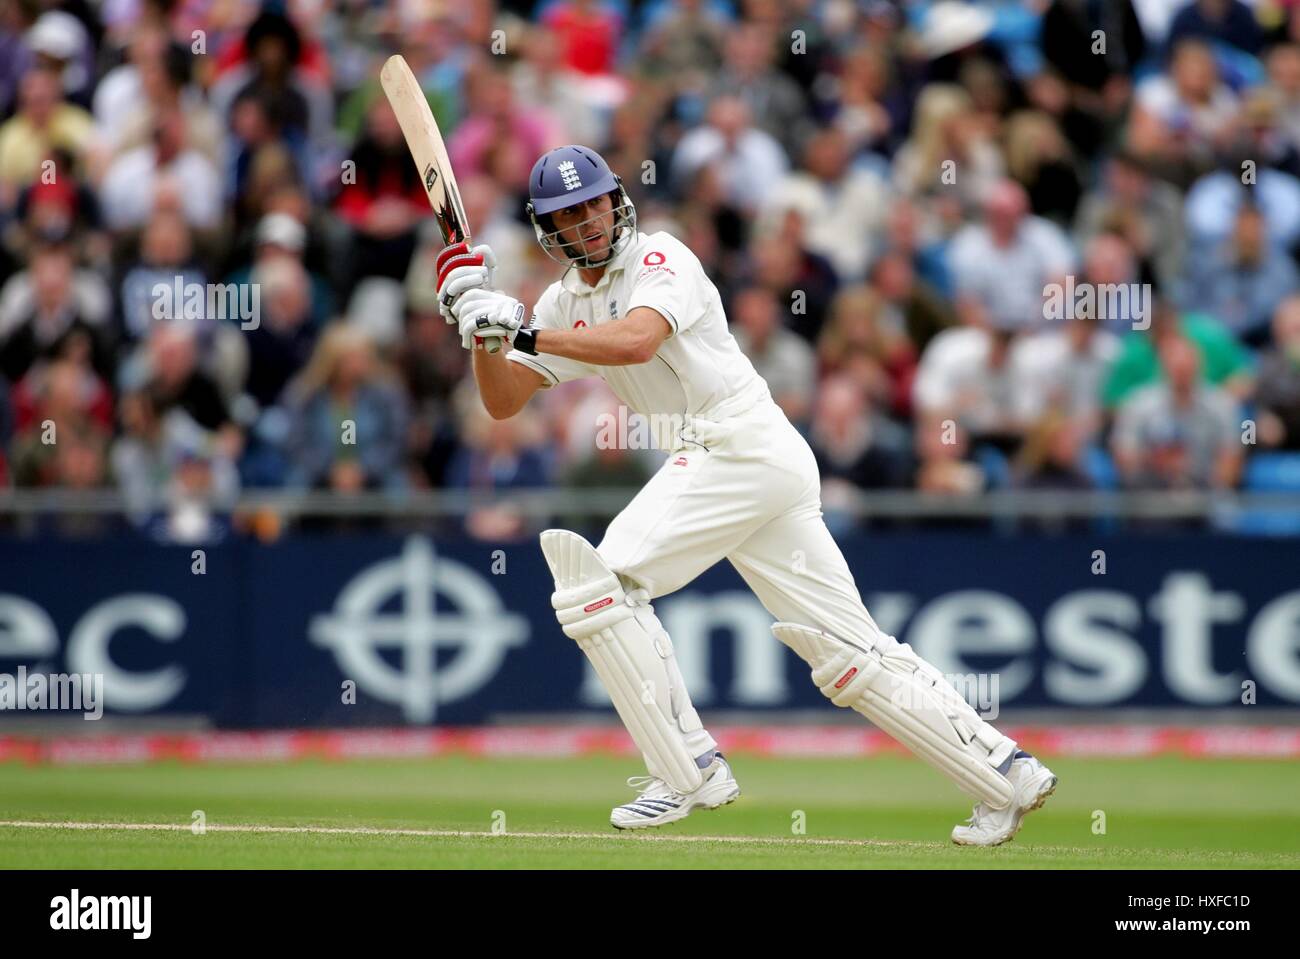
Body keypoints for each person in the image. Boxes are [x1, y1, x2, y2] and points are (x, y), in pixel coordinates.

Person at [436, 144, 1057, 845]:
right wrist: (475, 329)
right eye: (568, 214)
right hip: (748, 461)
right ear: (548, 229)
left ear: (617, 199)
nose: (588, 221)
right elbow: (504, 402)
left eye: (595, 203)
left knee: (596, 584)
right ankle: (1005, 773)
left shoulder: (661, 257)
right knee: (847, 652)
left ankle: (688, 768)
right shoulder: (561, 300)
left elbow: (638, 341)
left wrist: (514, 324)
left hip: (734, 443)